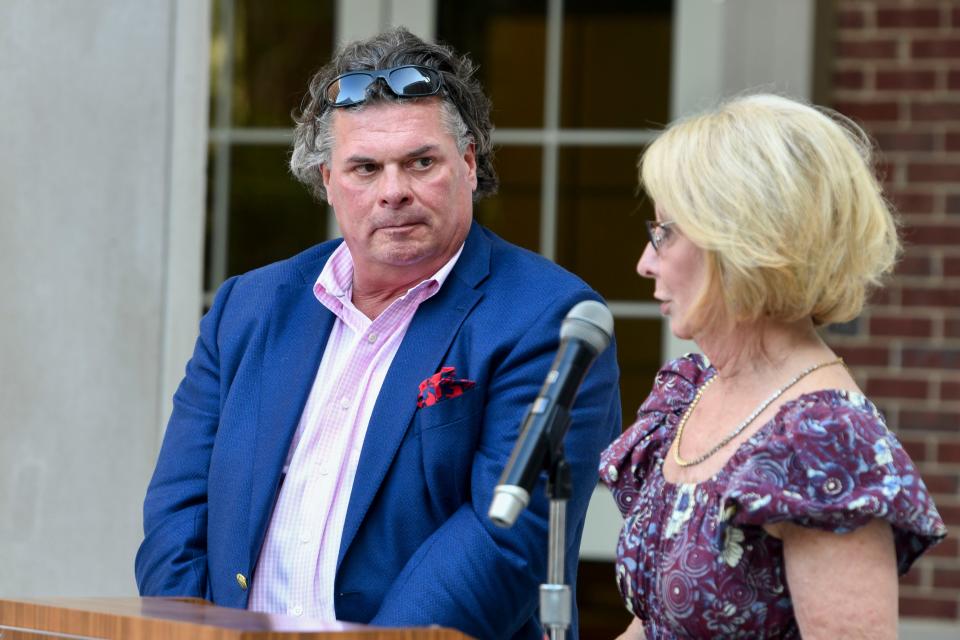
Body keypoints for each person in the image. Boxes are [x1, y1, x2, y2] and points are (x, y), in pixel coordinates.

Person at [135, 27, 621, 639]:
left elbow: (504, 544)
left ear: (468, 165)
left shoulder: (547, 317)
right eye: (365, 168)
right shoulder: (250, 307)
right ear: (327, 180)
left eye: (421, 162)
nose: (394, 192)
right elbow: (178, 508)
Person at [600, 94, 947, 639]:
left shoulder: (824, 440)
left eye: (664, 232)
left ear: (743, 241)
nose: (645, 261)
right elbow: (656, 626)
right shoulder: (692, 392)